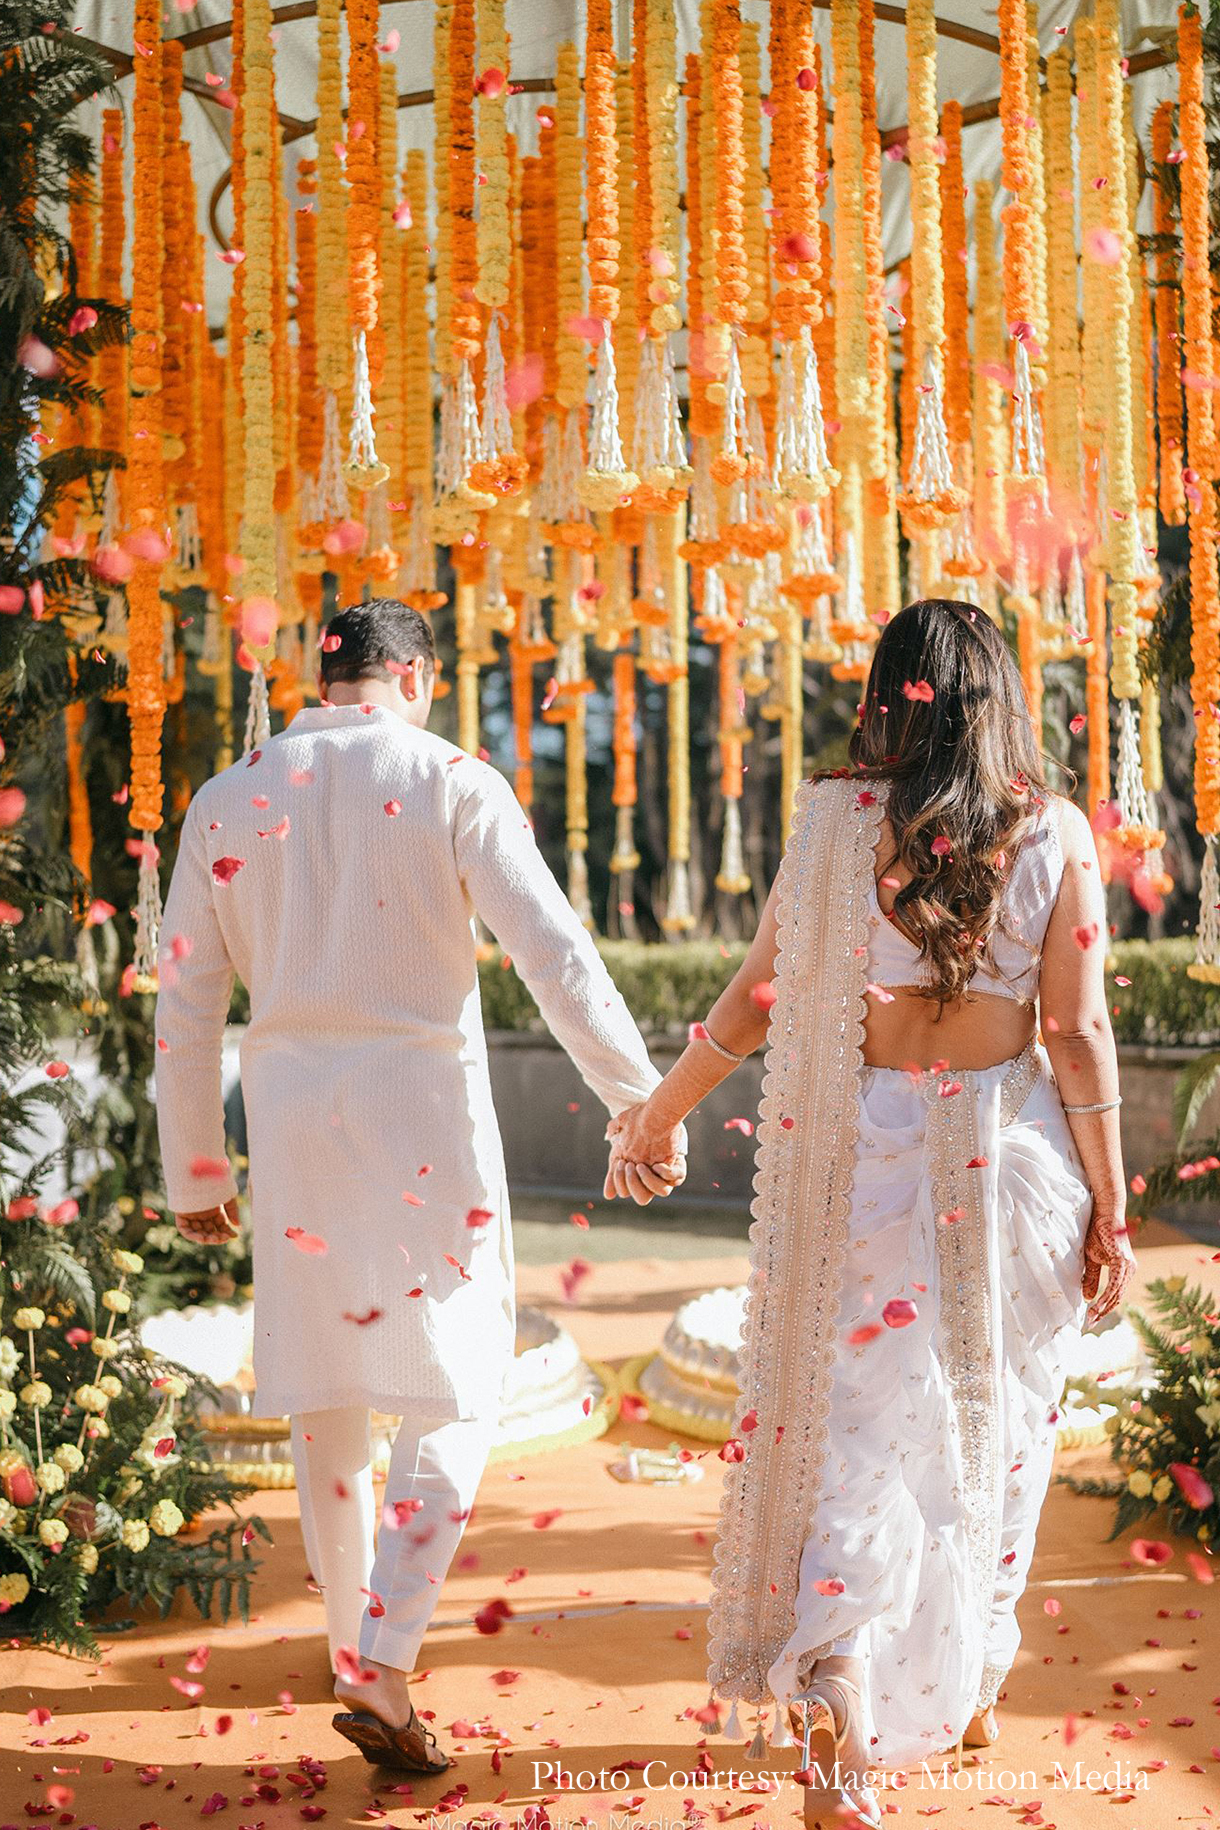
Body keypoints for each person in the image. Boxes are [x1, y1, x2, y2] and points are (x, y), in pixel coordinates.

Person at [605, 599, 1134, 1826]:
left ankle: (840, 1698)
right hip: (1008, 1163)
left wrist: (659, 1111)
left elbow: (755, 996)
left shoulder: (837, 823)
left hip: (866, 1161)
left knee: (852, 1431)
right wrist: (1111, 1207)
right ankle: (970, 1677)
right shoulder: (1049, 832)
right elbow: (1073, 1033)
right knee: (992, 1423)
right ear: (999, 696)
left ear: (885, 697)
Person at [154, 598, 686, 1774]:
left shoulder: (225, 796)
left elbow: (185, 1003)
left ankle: (352, 1642)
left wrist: (195, 1160)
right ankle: (382, 1657)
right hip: (423, 1115)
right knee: (458, 1380)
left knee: (322, 1386)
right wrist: (638, 1101)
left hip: (290, 1120)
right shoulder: (452, 779)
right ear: (419, 676)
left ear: (323, 678)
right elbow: (553, 953)